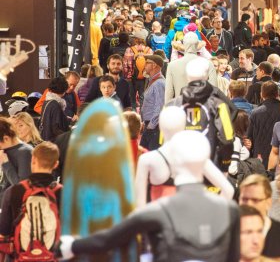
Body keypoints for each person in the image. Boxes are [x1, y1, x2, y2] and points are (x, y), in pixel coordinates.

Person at [60, 131, 240, 262]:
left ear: (174, 161)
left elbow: (109, 239)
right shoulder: (231, 210)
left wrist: (71, 246)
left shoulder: (158, 210)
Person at [166, 58, 236, 172]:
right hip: (210, 170)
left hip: (180, 170)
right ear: (206, 76)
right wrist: (224, 165)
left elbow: (164, 140)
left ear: (187, 77)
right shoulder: (219, 105)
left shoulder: (170, 106)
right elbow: (227, 139)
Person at [0, 142, 60, 260]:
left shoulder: (13, 191)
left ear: (32, 160)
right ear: (56, 164)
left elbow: (3, 233)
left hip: (19, 257)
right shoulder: (62, 192)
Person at [239, 174, 280, 262]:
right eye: (244, 199)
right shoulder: (228, 234)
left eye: (255, 200)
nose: (249, 205)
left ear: (269, 202)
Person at [164, 32, 218, 102]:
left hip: (181, 107)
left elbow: (169, 92)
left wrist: (167, 110)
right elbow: (214, 90)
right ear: (197, 44)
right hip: (202, 107)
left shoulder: (172, 65)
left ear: (184, 44)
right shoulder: (208, 64)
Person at [247, 82, 280, 167]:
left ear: (261, 94)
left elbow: (249, 137)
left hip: (260, 155)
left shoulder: (255, 113)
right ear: (277, 93)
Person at [0, 118, 33, 202]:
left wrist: (6, 163)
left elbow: (22, 188)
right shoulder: (7, 150)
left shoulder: (25, 152)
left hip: (15, 207)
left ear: (6, 138)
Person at [140, 55, 166, 150]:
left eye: (147, 63)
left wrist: (150, 126)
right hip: (151, 126)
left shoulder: (159, 83)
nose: (145, 65)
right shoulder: (153, 81)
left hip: (154, 128)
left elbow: (159, 107)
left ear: (154, 65)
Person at [123, 31, 153, 110]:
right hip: (144, 78)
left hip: (132, 78)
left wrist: (127, 76)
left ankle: (134, 116)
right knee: (142, 98)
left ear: (136, 39)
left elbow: (125, 65)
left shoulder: (129, 50)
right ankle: (143, 118)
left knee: (132, 99)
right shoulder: (149, 50)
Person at [39, 77, 72, 141]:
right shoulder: (55, 105)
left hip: (45, 139)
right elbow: (55, 129)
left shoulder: (46, 102)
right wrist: (68, 136)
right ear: (64, 90)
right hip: (53, 142)